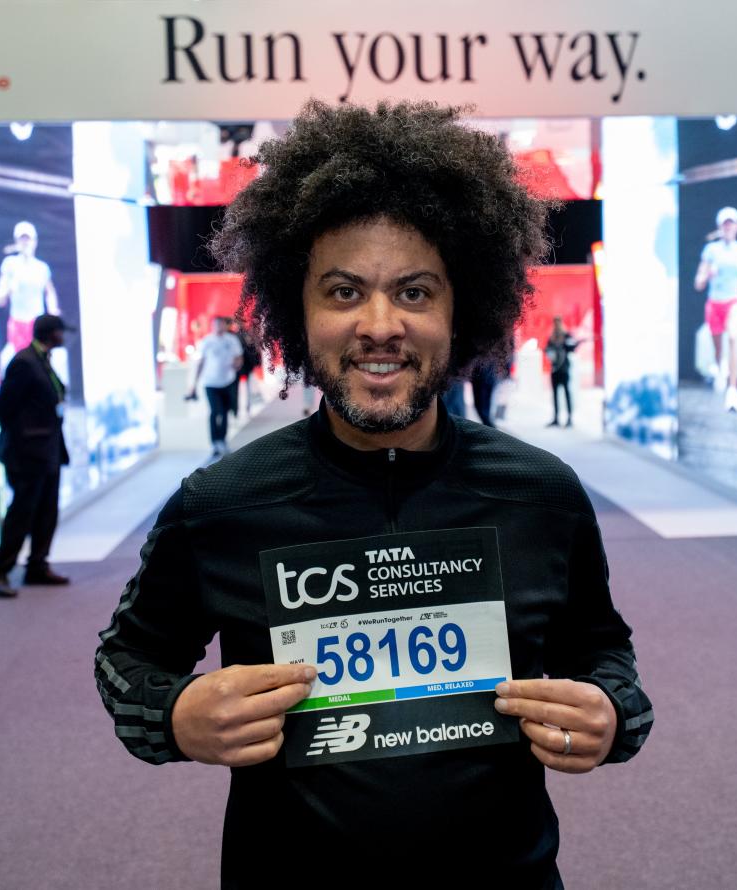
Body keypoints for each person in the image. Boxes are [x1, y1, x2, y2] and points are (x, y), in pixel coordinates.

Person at [95, 101, 653, 887]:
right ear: (298, 309)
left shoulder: (542, 494)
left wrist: (613, 713)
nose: (381, 325)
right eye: (345, 292)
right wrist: (175, 717)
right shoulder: (220, 503)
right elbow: (128, 657)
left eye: (417, 293)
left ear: (463, 309)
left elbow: (602, 649)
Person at [0, 314, 71, 597]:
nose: (64, 336)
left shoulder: (41, 360)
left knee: (46, 511)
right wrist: (27, 436)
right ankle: (2, 568)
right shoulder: (24, 362)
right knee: (22, 513)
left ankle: (37, 566)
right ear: (51, 333)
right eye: (61, 331)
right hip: (27, 453)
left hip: (47, 451)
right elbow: (5, 408)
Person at [693, 206, 737, 413]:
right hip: (714, 303)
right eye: (725, 223)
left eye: (732, 222)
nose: (729, 226)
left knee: (733, 337)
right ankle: (721, 367)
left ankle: (733, 391)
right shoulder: (711, 250)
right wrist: (707, 275)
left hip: (734, 301)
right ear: (720, 226)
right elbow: (698, 282)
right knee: (718, 348)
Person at [0, 221, 61, 366]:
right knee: (17, 362)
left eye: (28, 239)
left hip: (37, 324)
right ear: (16, 241)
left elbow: (50, 292)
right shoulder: (10, 264)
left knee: (40, 362)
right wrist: (8, 287)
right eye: (22, 239)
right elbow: (1, 298)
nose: (25, 242)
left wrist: (53, 310)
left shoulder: (42, 268)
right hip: (17, 324)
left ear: (35, 241)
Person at [188, 316, 243, 457]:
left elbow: (239, 358)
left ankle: (222, 440)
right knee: (214, 411)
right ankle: (214, 442)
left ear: (225, 325)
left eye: (221, 324)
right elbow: (200, 363)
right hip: (210, 383)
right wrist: (194, 384)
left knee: (225, 411)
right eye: (216, 325)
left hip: (228, 381)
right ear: (212, 326)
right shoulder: (206, 341)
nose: (218, 327)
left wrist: (237, 364)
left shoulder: (232, 340)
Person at [545, 316, 579, 427]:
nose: (557, 325)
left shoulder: (566, 336)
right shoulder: (552, 337)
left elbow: (572, 348)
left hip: (564, 369)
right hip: (555, 369)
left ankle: (569, 418)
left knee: (566, 393)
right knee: (555, 394)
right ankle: (556, 418)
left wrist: (573, 344)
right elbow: (547, 350)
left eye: (558, 323)